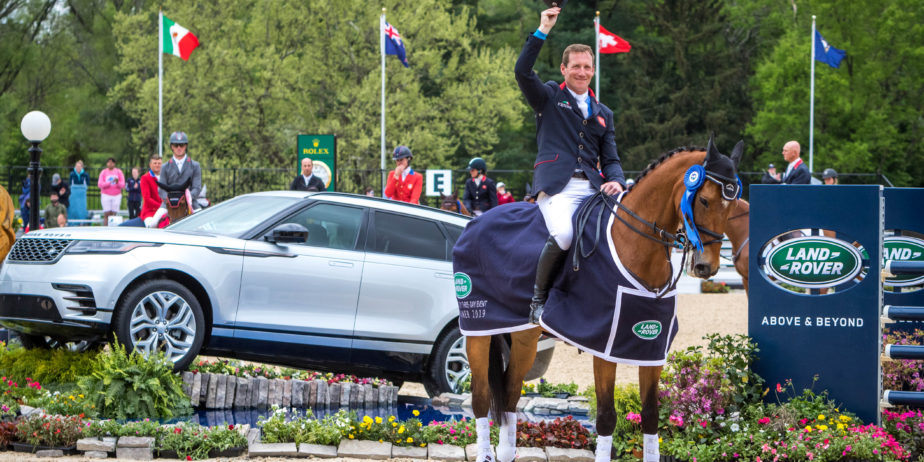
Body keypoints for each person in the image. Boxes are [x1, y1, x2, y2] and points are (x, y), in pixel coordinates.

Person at [515, 6, 625, 326]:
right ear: (564, 69)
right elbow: (522, 71)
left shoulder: (604, 112)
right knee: (564, 234)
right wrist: (542, 30)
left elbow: (613, 158)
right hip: (557, 187)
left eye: (586, 66)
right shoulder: (548, 97)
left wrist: (616, 180)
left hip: (594, 188)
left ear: (592, 70)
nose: (582, 71)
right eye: (575, 66)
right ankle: (538, 301)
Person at [159, 131, 202, 223]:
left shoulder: (195, 166)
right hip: (168, 204)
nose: (179, 148)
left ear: (186, 146)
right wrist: (171, 200)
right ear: (172, 147)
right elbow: (161, 190)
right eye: (176, 145)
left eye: (181, 145)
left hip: (191, 204)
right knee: (153, 223)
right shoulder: (165, 167)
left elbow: (197, 188)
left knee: (205, 223)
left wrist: (187, 198)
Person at [97, 157, 125, 225]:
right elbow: (100, 184)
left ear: (114, 164)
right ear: (107, 163)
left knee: (113, 214)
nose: (110, 164)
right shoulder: (103, 172)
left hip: (116, 195)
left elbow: (123, 185)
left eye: (112, 162)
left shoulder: (119, 172)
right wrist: (109, 183)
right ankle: (105, 228)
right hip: (106, 195)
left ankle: (113, 228)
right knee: (107, 213)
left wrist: (117, 182)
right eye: (109, 162)